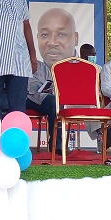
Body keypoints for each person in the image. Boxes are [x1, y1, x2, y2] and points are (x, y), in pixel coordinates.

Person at [26, 8, 78, 153]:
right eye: (45, 35)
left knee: (54, 102)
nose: (52, 42)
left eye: (61, 34)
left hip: (38, 98)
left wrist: (47, 89)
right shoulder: (14, 61)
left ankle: (56, 144)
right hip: (18, 96)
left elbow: (49, 85)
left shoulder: (41, 66)